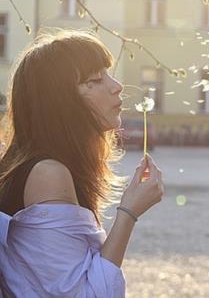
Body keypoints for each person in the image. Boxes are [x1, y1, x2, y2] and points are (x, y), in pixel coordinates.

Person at [0, 28, 164, 297]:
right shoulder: (48, 175)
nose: (116, 86)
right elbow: (84, 293)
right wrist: (129, 212)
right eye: (95, 79)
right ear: (60, 101)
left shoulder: (35, 165)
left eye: (108, 73)